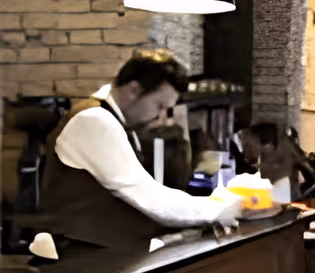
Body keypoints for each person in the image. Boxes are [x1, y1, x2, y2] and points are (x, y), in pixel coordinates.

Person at [40, 49, 242, 251]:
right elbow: (150, 199)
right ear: (134, 90)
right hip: (84, 256)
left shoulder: (117, 121)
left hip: (105, 250)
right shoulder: (94, 120)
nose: (161, 116)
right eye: (159, 106)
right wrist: (226, 208)